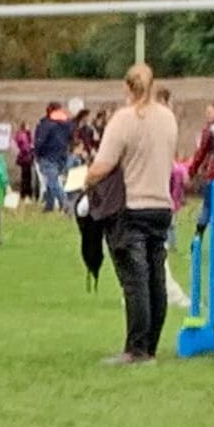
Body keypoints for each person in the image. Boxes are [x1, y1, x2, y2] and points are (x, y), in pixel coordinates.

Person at [83, 61, 180, 362]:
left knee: (135, 281)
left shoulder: (124, 120)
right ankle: (150, 346)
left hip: (132, 206)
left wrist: (86, 179)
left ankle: (136, 349)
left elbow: (104, 164)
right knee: (156, 278)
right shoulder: (168, 118)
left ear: (128, 87)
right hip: (161, 205)